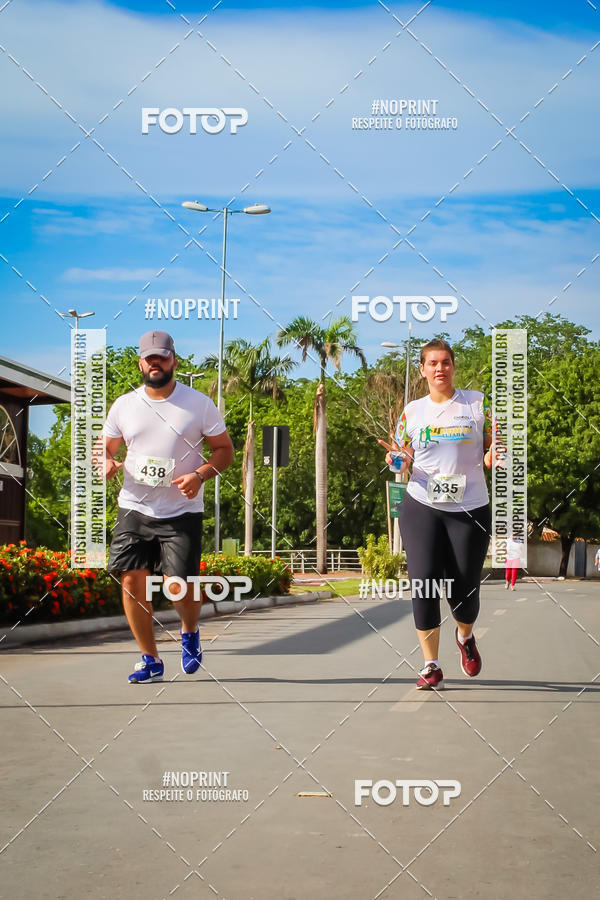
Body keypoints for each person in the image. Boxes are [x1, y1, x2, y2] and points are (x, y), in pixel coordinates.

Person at [101, 330, 234, 683]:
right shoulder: (124, 406)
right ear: (141, 363)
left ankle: (189, 630)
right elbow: (106, 449)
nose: (155, 363)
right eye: (150, 358)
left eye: (162, 357)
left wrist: (200, 475)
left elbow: (225, 450)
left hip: (181, 510)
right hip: (134, 507)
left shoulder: (198, 404)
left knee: (178, 586)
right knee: (132, 582)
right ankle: (150, 659)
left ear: (174, 360)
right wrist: (107, 462)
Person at [379, 339, 494, 690]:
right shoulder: (412, 412)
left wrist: (495, 456)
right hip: (422, 505)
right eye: (432, 363)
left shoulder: (477, 403)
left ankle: (465, 636)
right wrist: (396, 460)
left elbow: (492, 450)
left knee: (464, 591)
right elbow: (400, 459)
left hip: (470, 507)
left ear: (453, 366)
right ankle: (431, 665)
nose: (439, 368)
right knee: (424, 583)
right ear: (422, 370)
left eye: (445, 362)